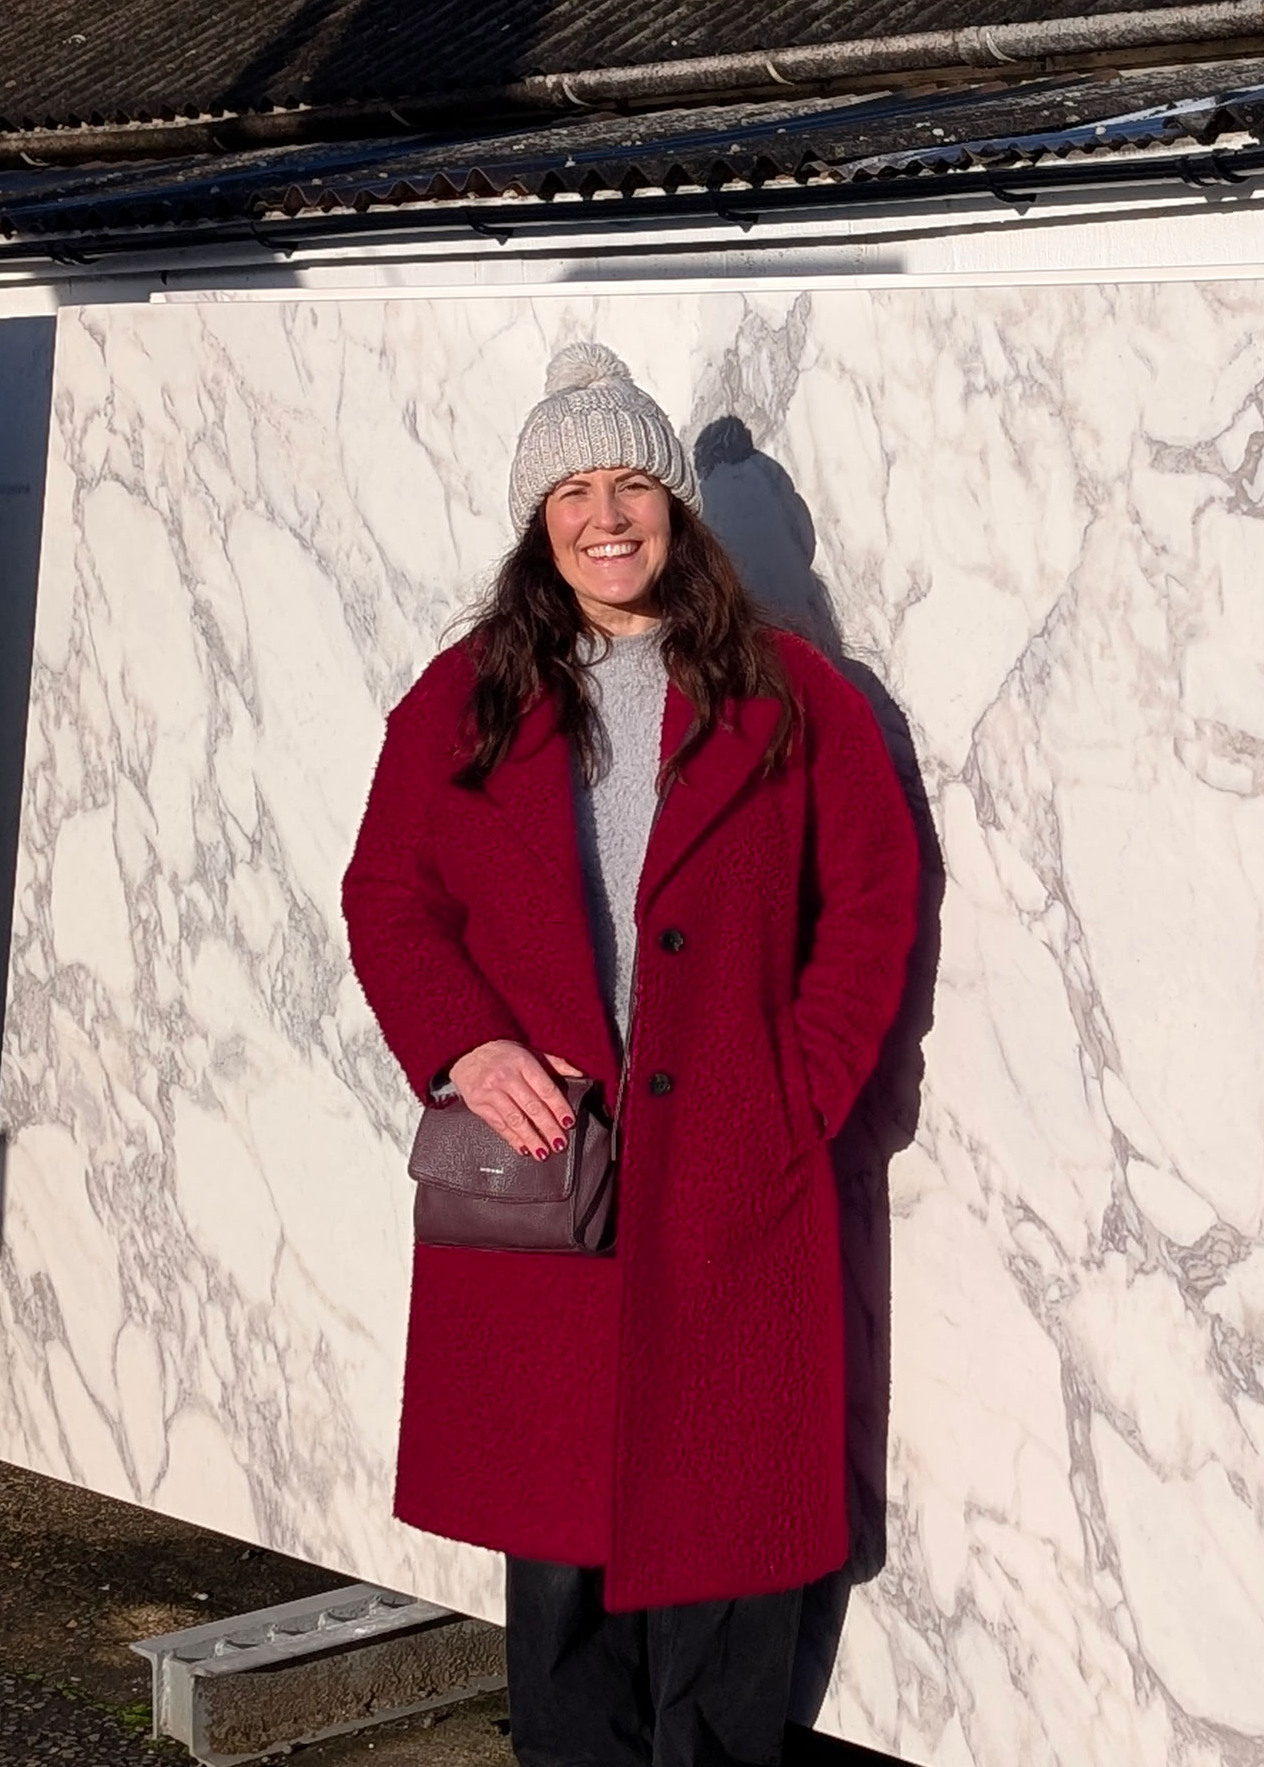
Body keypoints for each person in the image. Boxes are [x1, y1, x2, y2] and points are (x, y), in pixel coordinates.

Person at [341, 342, 919, 1767]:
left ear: (670, 503)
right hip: (556, 1191)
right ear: (539, 529)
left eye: (629, 483)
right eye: (572, 494)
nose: (607, 517)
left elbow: (875, 894)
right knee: (563, 1580)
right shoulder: (464, 697)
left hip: (735, 1186)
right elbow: (386, 898)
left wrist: (798, 1091)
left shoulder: (790, 696)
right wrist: (466, 1048)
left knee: (729, 1566)